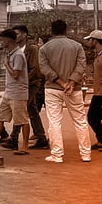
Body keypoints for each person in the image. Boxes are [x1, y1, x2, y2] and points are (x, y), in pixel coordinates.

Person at [38, 19, 91, 163]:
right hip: (74, 88)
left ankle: (57, 155)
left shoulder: (44, 49)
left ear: (52, 31)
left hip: (53, 88)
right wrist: (71, 82)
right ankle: (86, 154)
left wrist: (61, 82)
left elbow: (45, 69)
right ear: (65, 30)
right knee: (80, 121)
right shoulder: (77, 46)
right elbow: (81, 66)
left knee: (54, 122)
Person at [0, 29, 29, 155]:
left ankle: (24, 146)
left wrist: (6, 65)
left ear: (9, 40)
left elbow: (16, 74)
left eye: (2, 39)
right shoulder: (11, 53)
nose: (1, 41)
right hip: (9, 91)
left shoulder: (18, 55)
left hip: (18, 92)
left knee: (22, 120)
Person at [5, 25, 48, 150]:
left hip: (31, 84)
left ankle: (14, 137)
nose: (15, 37)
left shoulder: (32, 49)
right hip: (21, 85)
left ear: (24, 35)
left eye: (17, 34)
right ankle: (41, 138)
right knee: (31, 110)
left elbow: (35, 69)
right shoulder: (15, 50)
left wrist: (23, 81)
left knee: (22, 109)